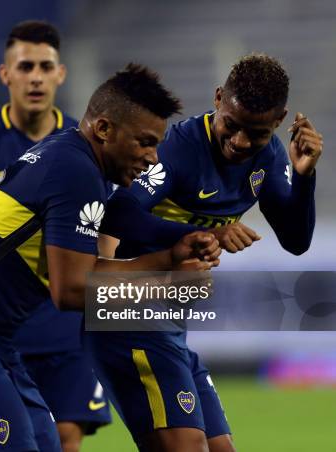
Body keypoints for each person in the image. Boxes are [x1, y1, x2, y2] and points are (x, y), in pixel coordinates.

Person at [0, 63, 222, 451]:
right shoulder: (75, 171)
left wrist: (167, 259)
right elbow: (72, 292)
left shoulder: (71, 156)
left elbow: (82, 273)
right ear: (104, 129)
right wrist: (166, 284)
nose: (152, 158)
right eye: (145, 142)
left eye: (157, 144)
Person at [94, 54, 322, 452]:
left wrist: (304, 177)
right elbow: (118, 213)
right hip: (127, 311)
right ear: (218, 98)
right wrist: (198, 232)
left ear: (280, 120)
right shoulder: (178, 149)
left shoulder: (268, 158)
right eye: (231, 126)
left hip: (171, 324)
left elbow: (295, 240)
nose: (240, 143)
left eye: (257, 133)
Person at [0, 20, 110, 451]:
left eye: (45, 66)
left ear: (60, 74)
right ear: (5, 74)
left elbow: (105, 230)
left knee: (66, 436)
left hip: (66, 327)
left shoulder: (85, 146)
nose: (35, 76)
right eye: (25, 66)